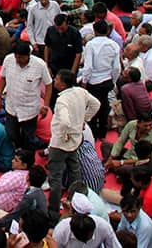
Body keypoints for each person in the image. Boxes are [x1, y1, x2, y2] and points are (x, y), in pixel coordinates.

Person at [47, 69, 100, 214]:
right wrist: (84, 119)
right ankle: (76, 202)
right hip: (76, 139)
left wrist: (65, 134)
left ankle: (53, 211)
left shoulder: (62, 100)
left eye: (57, 79)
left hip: (60, 143)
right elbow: (96, 104)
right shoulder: (81, 92)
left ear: (63, 84)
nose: (55, 80)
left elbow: (64, 121)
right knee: (74, 171)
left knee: (55, 177)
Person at [0, 41, 52, 152]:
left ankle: (34, 151)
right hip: (11, 106)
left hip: (30, 109)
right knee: (11, 133)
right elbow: (2, 78)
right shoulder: (8, 60)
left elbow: (49, 84)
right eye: (16, 57)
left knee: (29, 136)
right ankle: (19, 149)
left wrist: (45, 106)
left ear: (28, 55)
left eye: (21, 57)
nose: (18, 60)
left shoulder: (40, 65)